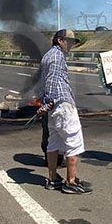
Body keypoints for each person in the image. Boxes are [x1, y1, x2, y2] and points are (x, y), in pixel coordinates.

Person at [38, 29, 89, 194]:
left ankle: (52, 179)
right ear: (60, 40)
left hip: (53, 107)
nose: (72, 45)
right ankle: (71, 182)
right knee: (73, 141)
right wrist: (50, 101)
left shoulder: (47, 56)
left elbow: (43, 81)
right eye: (70, 41)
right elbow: (52, 80)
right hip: (61, 103)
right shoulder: (57, 56)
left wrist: (46, 103)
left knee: (53, 142)